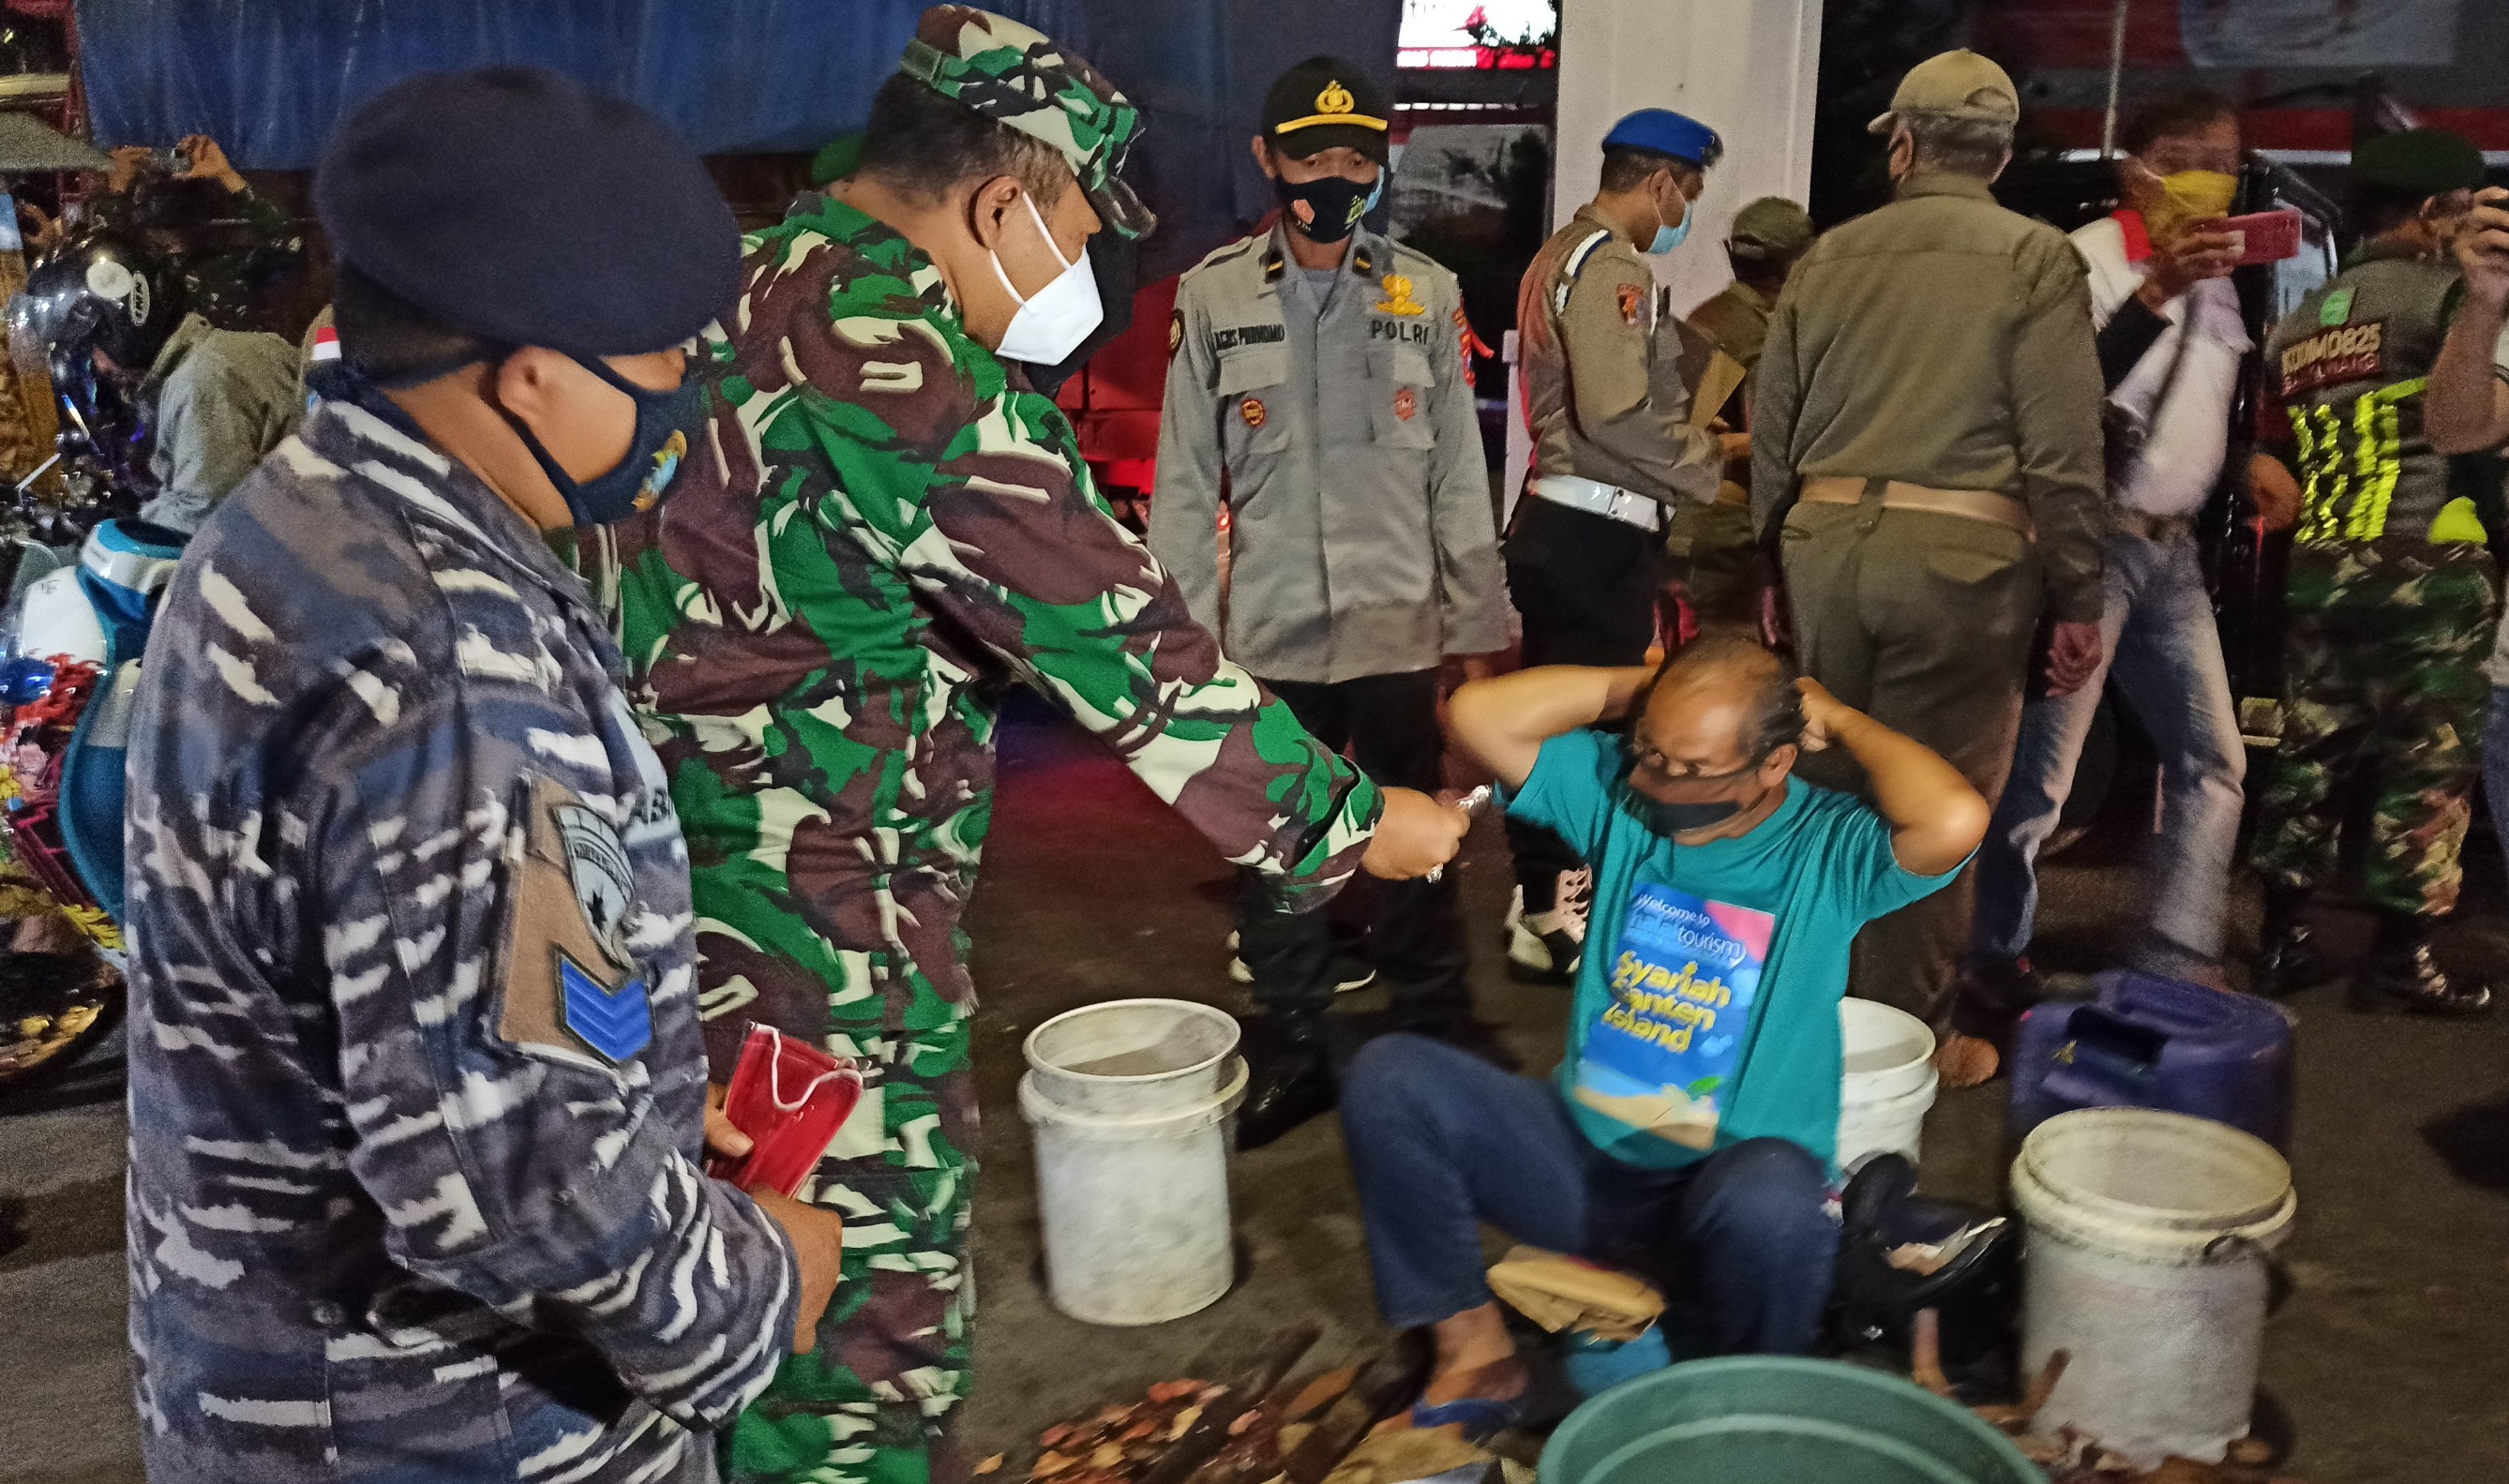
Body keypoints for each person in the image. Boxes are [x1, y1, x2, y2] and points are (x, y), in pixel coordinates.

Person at [590, 11, 1468, 1480]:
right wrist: (1356, 821)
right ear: (1002, 201)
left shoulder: (716, 302)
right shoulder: (907, 368)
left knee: (721, 1295)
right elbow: (1127, 648)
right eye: (1072, 227)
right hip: (821, 936)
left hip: (652, 918)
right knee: (852, 1344)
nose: (1078, 273)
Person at [120, 67, 848, 1482]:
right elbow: (515, 1181)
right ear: (530, 375)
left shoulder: (306, 516)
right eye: (661, 368)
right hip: (451, 1426)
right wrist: (752, 1284)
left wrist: (627, 1076)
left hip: (278, 1386)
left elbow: (419, 999)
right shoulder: (455, 657)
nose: (687, 406)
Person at [1343, 637, 1987, 1434]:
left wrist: (1844, 719)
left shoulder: (1828, 849)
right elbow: (1480, 714)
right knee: (1392, 1076)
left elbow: (1955, 815)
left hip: (1727, 1206)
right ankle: (1477, 1353)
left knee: (1772, 1193)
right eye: (1651, 754)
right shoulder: (1625, 797)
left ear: (1776, 762)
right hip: (1590, 1169)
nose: (1661, 783)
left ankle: (1747, 1405)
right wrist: (1663, 691)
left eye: (1695, 770)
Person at [1149, 56, 1510, 1148]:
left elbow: (1458, 475)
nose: (1336, 176)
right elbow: (1180, 481)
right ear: (1270, 160)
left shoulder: (1424, 292)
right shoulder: (1213, 295)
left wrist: (1478, 636)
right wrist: (1181, 646)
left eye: (1357, 157)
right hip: (1270, 637)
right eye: (1314, 156)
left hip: (1396, 626)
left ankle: (1434, 1034)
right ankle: (1298, 1045)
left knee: (1422, 843)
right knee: (1283, 858)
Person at [1750, 50, 2105, 1086]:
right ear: (1997, 155)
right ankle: (1901, 1045)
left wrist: (1776, 557)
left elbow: (1773, 428)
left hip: (1824, 546)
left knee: (1817, 790)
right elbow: (2062, 448)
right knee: (1931, 803)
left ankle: (1794, 1015)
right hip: (1962, 563)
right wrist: (2079, 591)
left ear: (1904, 144)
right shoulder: (2037, 260)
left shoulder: (1825, 257)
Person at [1967, 90, 2272, 1006]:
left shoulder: (2220, 277)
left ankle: (2177, 952)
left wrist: (2249, 461)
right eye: (2187, 151)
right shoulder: (2082, 260)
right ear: (2134, 169)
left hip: (2173, 556)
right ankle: (1992, 950)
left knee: (2215, 756)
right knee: (2039, 776)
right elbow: (2062, 395)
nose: (2210, 173)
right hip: (2089, 541)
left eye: (2224, 156)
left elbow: (2202, 405)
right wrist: (2155, 291)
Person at [2246, 128, 2504, 1014]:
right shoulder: (2448, 301)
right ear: (2434, 214)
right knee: (2426, 764)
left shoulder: (2301, 318)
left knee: (2309, 753)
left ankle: (2283, 936)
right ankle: (2405, 957)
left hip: (2324, 561)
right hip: (2431, 562)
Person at [1504, 106, 1737, 986]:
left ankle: (1537, 903)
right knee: (1591, 735)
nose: (1686, 213)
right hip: (1593, 531)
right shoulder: (1609, 267)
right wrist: (1706, 466)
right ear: (1660, 183)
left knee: (1558, 722)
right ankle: (1561, 912)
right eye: (1689, 195)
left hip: (1566, 526)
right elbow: (1615, 413)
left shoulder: (1557, 255)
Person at [18, 231, 299, 533]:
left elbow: (204, 519)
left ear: (122, 326)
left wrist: (122, 525)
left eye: (91, 348)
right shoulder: (199, 363)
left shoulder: (201, 380)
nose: (97, 367)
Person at [1675, 195, 1816, 628]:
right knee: (1723, 670)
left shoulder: (1709, 318)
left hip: (1693, 533)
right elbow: (1693, 438)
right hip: (1719, 535)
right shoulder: (1742, 331)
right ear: (1794, 263)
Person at [90, 134, 304, 334]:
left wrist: (225, 175)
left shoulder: (226, 268)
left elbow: (292, 243)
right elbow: (100, 270)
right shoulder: (145, 274)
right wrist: (230, 180)